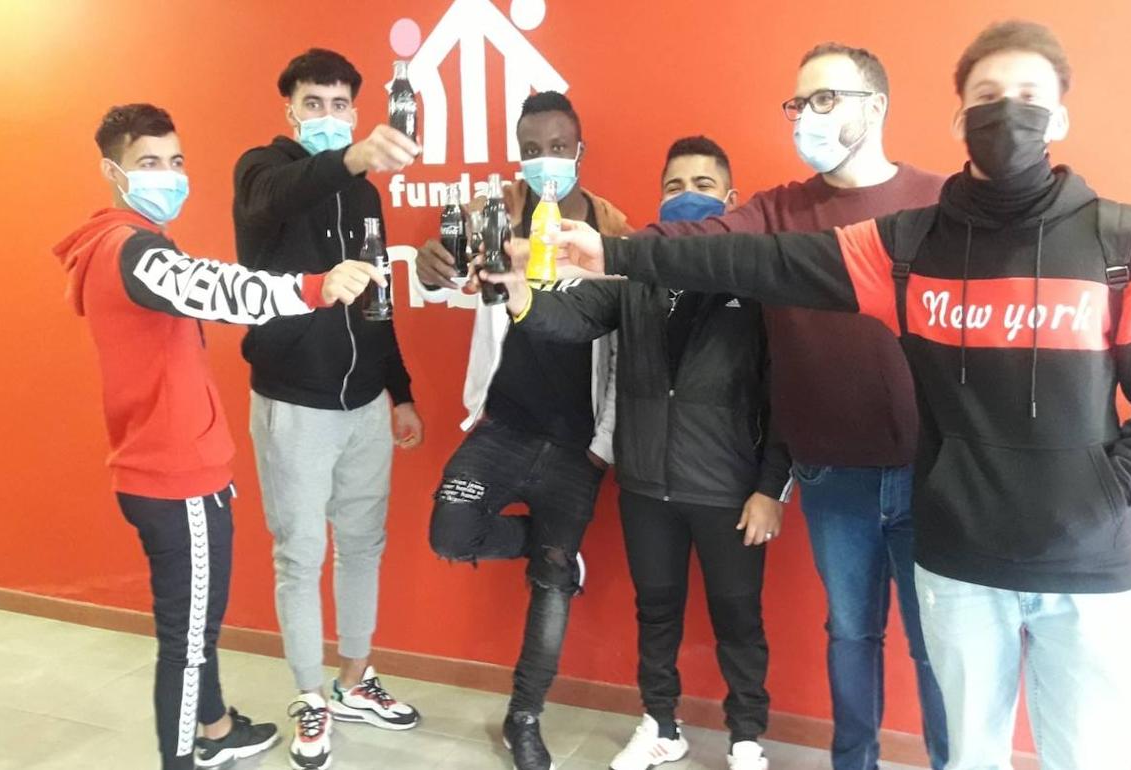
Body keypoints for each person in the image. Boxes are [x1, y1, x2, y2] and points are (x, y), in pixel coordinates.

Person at [497, 20, 1131, 770]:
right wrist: (611, 250)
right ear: (960, 117)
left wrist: (1106, 493)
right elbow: (740, 255)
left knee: (1084, 750)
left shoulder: (1101, 238)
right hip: (922, 518)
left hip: (1064, 550)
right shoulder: (902, 241)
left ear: (1059, 114)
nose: (1008, 113)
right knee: (926, 705)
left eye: (1028, 95)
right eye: (987, 96)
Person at [53, 103, 389, 770]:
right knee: (188, 641)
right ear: (112, 171)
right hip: (174, 474)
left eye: (176, 161)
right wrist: (315, 286)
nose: (169, 175)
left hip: (175, 465)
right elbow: (218, 289)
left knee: (194, 625)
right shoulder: (130, 248)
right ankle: (187, 753)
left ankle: (216, 725)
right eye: (149, 163)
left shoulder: (125, 242)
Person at [641, 44, 948, 770]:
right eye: (800, 103)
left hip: (934, 474)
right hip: (832, 475)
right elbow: (706, 241)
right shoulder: (780, 210)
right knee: (851, 635)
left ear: (876, 106)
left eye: (826, 99)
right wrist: (609, 247)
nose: (808, 115)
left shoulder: (939, 202)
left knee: (940, 646)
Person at [488, 136, 789, 770]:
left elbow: (785, 393)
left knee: (738, 618)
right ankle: (660, 724)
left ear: (731, 199)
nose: (687, 197)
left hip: (729, 490)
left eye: (703, 185)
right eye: (674, 186)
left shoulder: (757, 282)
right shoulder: (634, 276)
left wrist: (771, 489)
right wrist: (518, 293)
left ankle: (745, 738)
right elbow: (570, 316)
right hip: (648, 485)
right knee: (656, 613)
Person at [414, 91, 629, 770]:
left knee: (552, 584)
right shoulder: (495, 218)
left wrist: (603, 447)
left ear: (579, 151)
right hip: (503, 425)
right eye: (531, 150)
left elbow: (625, 353)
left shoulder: (613, 231)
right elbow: (449, 279)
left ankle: (524, 718)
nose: (545, 161)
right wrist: (429, 266)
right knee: (451, 532)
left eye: (558, 148)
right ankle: (550, 549)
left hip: (575, 445)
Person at [232, 48, 424, 770]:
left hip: (365, 404)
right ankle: (310, 697)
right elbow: (274, 200)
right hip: (294, 405)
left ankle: (353, 679)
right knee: (300, 556)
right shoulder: (261, 171)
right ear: (290, 109)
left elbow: (379, 299)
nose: (327, 115)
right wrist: (349, 157)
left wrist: (400, 391)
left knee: (363, 545)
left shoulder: (365, 195)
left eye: (340, 105)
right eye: (314, 103)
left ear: (355, 109)